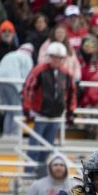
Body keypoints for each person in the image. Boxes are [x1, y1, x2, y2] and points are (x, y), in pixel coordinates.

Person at [22, 42, 76, 170]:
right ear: (49, 57)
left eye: (60, 57)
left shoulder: (66, 74)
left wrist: (70, 112)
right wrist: (27, 109)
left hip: (55, 116)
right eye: (54, 57)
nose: (57, 60)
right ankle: (29, 173)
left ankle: (41, 175)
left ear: (63, 59)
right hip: (39, 114)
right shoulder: (39, 70)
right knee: (34, 147)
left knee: (48, 149)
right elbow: (28, 89)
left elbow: (71, 93)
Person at [0, 41, 35, 136]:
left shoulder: (10, 54)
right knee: (17, 109)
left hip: (0, 81)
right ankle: (15, 134)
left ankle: (6, 133)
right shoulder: (27, 57)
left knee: (8, 110)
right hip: (13, 82)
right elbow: (28, 76)